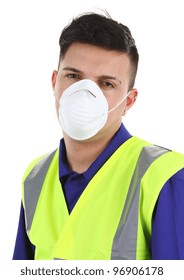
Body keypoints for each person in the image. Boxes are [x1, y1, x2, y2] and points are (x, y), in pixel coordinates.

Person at [13, 11, 184, 260]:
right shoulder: (35, 177)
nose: (85, 94)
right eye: (73, 76)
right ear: (54, 82)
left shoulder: (165, 177)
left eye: (106, 84)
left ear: (129, 101)